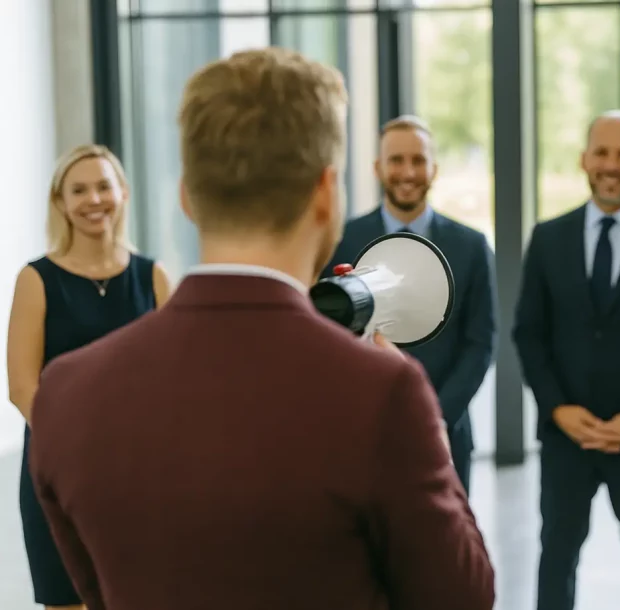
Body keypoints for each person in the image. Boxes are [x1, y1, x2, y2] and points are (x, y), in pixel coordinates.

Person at [27, 47, 494, 610]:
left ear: (186, 198)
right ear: (326, 194)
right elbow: (464, 597)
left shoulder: (65, 393)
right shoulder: (382, 393)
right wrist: (430, 434)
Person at [513, 109, 620, 610]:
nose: (612, 165)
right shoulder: (548, 238)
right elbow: (529, 334)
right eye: (602, 153)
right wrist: (558, 410)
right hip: (566, 438)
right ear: (584, 159)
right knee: (556, 561)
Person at [5, 143, 171, 610]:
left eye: (103, 186)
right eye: (78, 190)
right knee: (66, 600)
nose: (93, 199)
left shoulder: (154, 276)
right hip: (57, 468)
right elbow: (21, 387)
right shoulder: (36, 279)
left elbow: (171, 380)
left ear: (123, 193)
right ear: (60, 202)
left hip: (137, 470)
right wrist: (76, 452)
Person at [321, 114, 497, 494]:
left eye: (418, 160)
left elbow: (480, 344)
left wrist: (434, 417)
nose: (408, 172)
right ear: (377, 168)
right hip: (362, 433)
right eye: (396, 160)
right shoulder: (340, 241)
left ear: (434, 169)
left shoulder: (472, 247)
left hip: (447, 433)